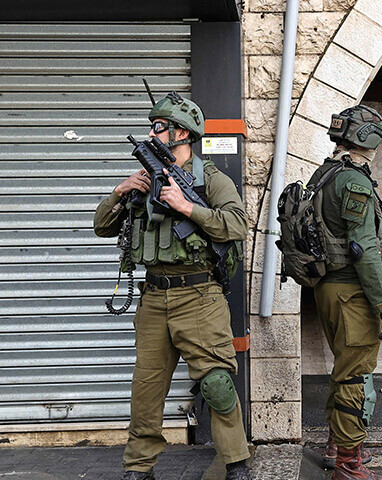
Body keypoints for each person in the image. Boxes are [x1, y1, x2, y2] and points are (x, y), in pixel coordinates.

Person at [93, 92, 250, 480]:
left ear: (181, 133)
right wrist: (120, 192)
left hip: (199, 296)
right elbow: (101, 227)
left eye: (159, 127)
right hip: (153, 297)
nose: (151, 133)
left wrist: (186, 207)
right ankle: (138, 468)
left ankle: (236, 463)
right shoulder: (144, 179)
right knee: (146, 391)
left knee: (216, 384)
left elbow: (237, 225)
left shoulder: (211, 180)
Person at [307, 105, 382, 480]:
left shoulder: (325, 173)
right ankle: (348, 465)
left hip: (329, 288)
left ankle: (337, 446)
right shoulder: (354, 181)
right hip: (351, 292)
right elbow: (363, 248)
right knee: (355, 376)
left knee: (343, 369)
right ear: (367, 138)